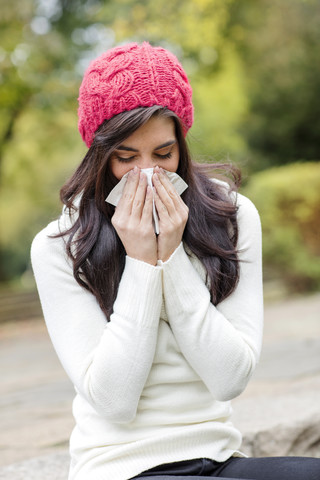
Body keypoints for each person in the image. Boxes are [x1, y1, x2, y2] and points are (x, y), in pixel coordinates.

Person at [31, 42, 320, 480]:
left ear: (181, 146)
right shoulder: (60, 244)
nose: (147, 174)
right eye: (125, 158)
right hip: (119, 469)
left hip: (219, 460)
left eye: (163, 154)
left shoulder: (232, 217)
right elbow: (114, 400)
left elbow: (230, 379)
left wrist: (173, 258)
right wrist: (144, 265)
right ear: (99, 153)